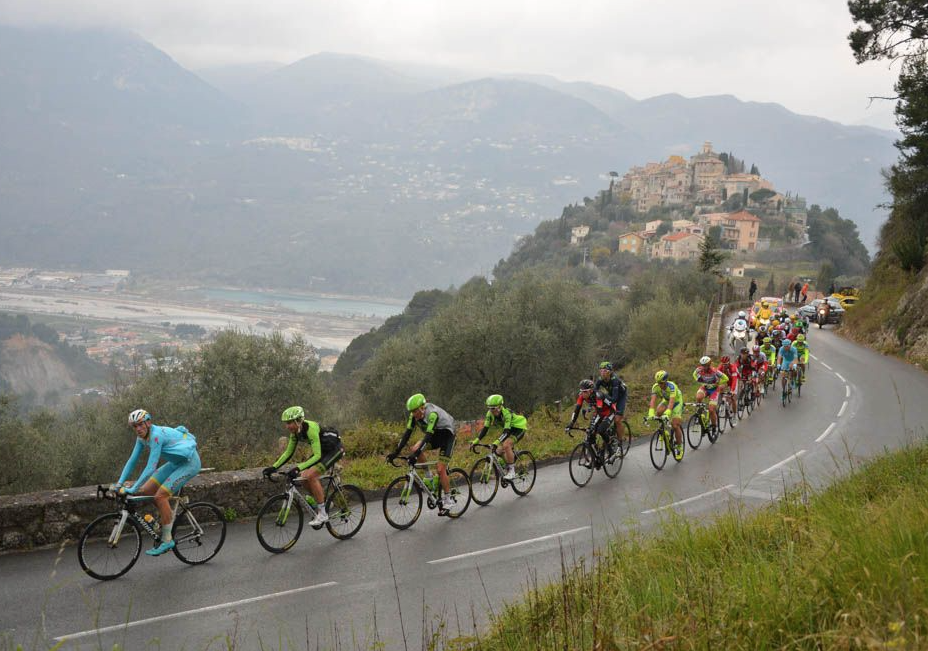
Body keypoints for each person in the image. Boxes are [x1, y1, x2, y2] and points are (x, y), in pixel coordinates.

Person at [114, 409, 202, 556]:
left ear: (148, 422)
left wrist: (133, 488)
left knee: (160, 496)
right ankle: (159, 524)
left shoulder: (156, 436)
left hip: (189, 463)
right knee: (147, 490)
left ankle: (167, 540)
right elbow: (132, 461)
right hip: (175, 463)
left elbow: (151, 467)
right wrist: (119, 483)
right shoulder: (141, 438)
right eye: (134, 426)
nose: (138, 429)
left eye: (140, 424)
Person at [263, 406, 343, 527]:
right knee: (303, 476)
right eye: (286, 423)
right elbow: (288, 453)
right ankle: (321, 502)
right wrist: (274, 467)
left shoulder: (310, 429)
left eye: (289, 423)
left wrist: (298, 467)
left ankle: (322, 513)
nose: (287, 426)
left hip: (334, 450)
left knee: (311, 476)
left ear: (298, 421)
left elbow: (316, 456)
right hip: (322, 452)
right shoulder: (295, 434)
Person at [388, 393, 458, 515]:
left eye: (415, 411)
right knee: (414, 448)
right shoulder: (413, 416)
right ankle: (429, 477)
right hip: (435, 435)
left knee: (441, 469)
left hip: (447, 436)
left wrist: (416, 455)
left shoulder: (432, 414)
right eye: (412, 412)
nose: (414, 414)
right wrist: (395, 452)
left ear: (422, 407)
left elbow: (428, 436)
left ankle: (449, 499)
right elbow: (407, 434)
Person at [470, 394, 527, 481]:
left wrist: (496, 442)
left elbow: (506, 431)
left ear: (500, 406)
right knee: (497, 451)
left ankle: (512, 471)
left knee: (506, 445)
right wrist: (476, 440)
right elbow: (485, 428)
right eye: (489, 408)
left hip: (519, 428)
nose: (491, 410)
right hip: (509, 430)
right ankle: (507, 465)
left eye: (493, 408)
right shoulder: (489, 414)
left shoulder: (506, 414)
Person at [565, 379, 619, 463]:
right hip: (599, 412)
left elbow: (600, 413)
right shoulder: (582, 396)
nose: (583, 393)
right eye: (581, 391)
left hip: (609, 411)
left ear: (590, 391)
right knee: (590, 432)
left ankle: (611, 452)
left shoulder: (598, 395)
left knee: (600, 430)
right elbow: (576, 410)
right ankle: (598, 454)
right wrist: (571, 423)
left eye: (585, 391)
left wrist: (594, 425)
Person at [648, 371, 685, 459]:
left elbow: (672, 402)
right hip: (666, 401)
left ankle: (679, 447)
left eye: (661, 383)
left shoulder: (672, 386)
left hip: (677, 402)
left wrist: (668, 413)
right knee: (658, 412)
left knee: (675, 425)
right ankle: (662, 431)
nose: (660, 385)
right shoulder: (655, 387)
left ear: (665, 381)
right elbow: (653, 401)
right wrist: (650, 413)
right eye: (658, 383)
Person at [693, 356, 729, 432]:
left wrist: (718, 383)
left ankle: (714, 426)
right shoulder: (699, 369)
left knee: (711, 409)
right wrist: (698, 380)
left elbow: (726, 378)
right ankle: (699, 414)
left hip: (714, 390)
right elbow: (694, 374)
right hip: (705, 388)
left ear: (709, 364)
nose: (704, 367)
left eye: (705, 365)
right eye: (703, 365)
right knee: (698, 397)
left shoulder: (715, 371)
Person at [595, 362, 628, 433]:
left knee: (617, 420)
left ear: (610, 372)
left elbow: (614, 399)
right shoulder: (600, 380)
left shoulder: (615, 380)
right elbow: (594, 392)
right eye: (601, 371)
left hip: (621, 396)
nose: (602, 373)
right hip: (611, 393)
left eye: (605, 371)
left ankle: (620, 441)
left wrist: (604, 398)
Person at [717, 355, 739, 426]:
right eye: (723, 364)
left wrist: (732, 391)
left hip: (734, 380)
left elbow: (734, 381)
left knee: (733, 398)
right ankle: (720, 404)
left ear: (729, 362)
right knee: (720, 388)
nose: (724, 366)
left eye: (726, 364)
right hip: (726, 381)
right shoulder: (721, 366)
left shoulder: (733, 368)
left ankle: (735, 416)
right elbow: (716, 376)